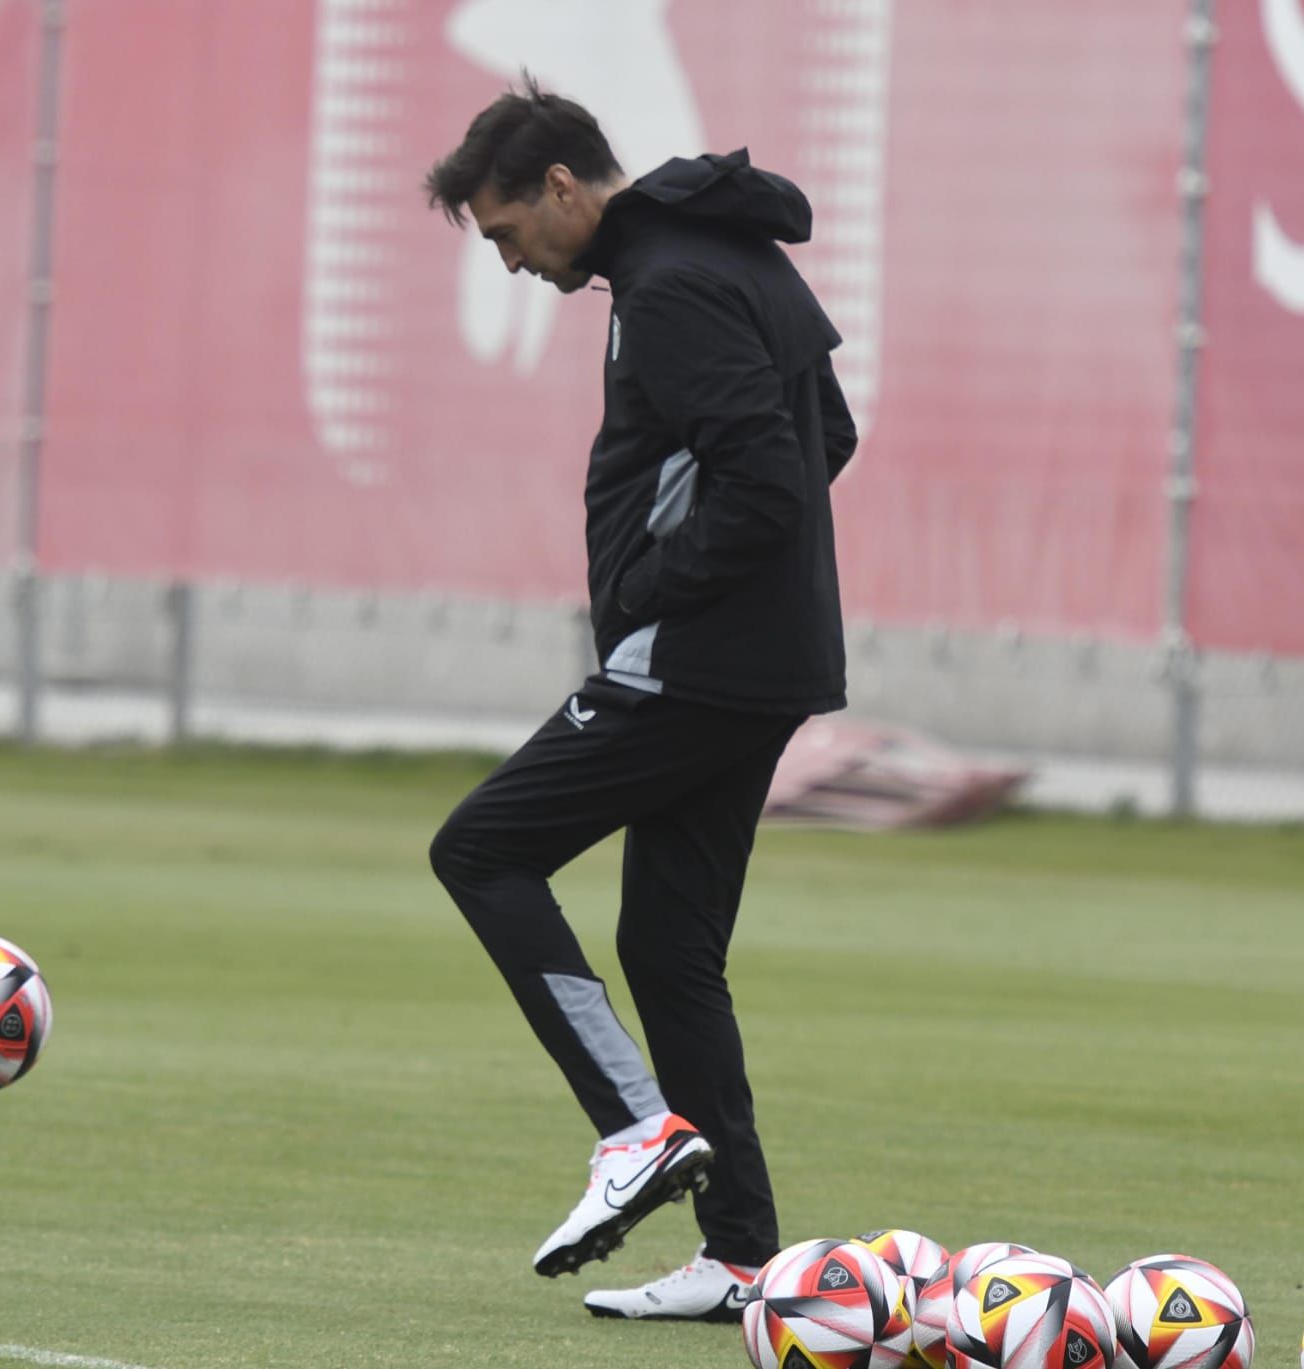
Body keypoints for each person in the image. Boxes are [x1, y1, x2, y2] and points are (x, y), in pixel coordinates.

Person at [423, 76, 856, 1323]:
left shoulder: (666, 286)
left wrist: (649, 589)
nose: (512, 263)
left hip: (691, 664)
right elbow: (828, 432)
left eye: (508, 233)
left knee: (480, 850)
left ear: (562, 187)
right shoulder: (721, 253)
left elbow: (770, 479)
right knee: (668, 949)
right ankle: (740, 1258)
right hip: (755, 664)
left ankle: (633, 1128)